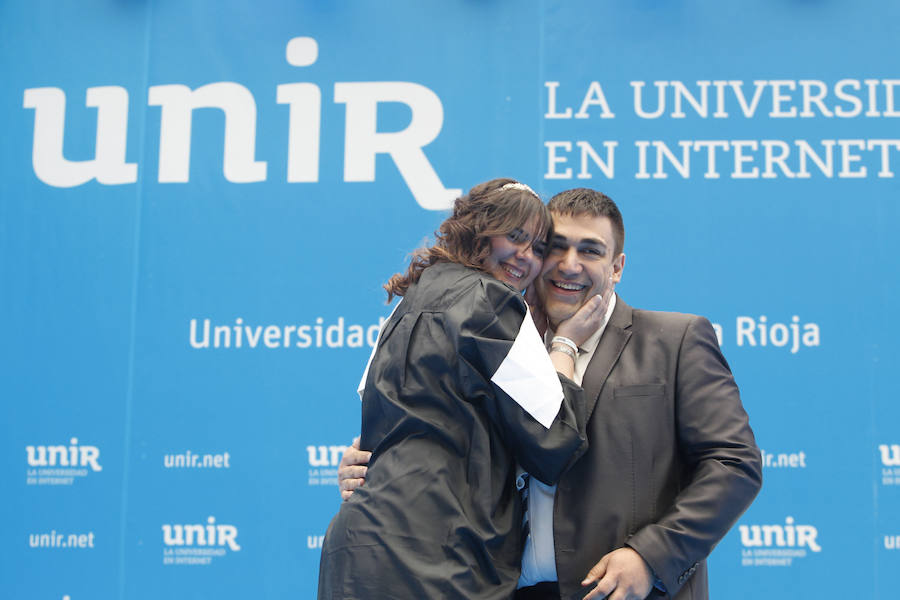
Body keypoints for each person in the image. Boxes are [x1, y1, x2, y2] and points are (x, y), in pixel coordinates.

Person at [339, 188, 763, 600]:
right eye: (554, 247)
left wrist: (652, 556)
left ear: (617, 267)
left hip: (629, 591)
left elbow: (733, 464)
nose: (569, 265)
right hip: (503, 589)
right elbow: (441, 438)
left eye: (591, 251)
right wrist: (370, 466)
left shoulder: (674, 340)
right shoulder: (490, 341)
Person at [318, 179, 609, 600]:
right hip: (435, 558)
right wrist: (565, 344)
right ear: (480, 229)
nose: (526, 257)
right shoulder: (493, 301)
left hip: (357, 550)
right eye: (515, 236)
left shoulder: (408, 301)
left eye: (538, 247)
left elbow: (377, 422)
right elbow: (554, 439)